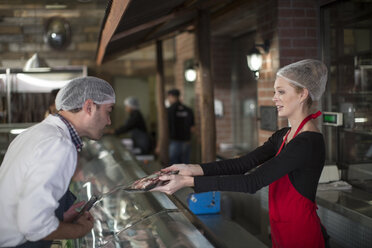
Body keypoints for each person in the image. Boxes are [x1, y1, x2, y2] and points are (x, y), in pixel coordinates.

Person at [154, 60, 330, 248]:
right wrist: (191, 169)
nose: (274, 98)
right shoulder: (284, 135)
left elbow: (252, 181)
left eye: (281, 91)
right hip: (281, 229)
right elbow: (243, 164)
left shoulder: (308, 142)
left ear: (302, 94)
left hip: (302, 235)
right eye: (274, 92)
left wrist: (188, 182)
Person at [0, 76, 116, 247]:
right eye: (109, 111)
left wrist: (60, 217)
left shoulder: (36, 133)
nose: (109, 121)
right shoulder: (59, 145)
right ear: (89, 107)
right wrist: (79, 230)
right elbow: (34, 227)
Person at [167, 89, 195, 164]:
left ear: (171, 96)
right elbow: (192, 128)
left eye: (169, 97)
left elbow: (167, 127)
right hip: (186, 140)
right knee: (185, 163)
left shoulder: (169, 110)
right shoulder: (188, 110)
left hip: (174, 140)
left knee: (174, 164)